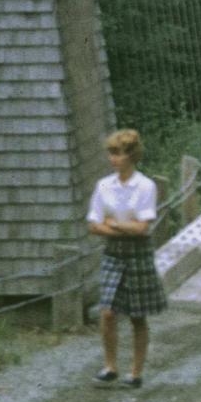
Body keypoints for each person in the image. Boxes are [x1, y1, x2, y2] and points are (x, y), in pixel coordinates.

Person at [86, 128, 166, 386]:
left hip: (138, 254)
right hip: (113, 253)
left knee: (137, 315)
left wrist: (113, 224)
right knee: (108, 311)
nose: (113, 159)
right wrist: (124, 226)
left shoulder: (145, 186)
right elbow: (93, 225)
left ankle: (136, 372)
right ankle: (110, 366)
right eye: (111, 153)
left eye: (118, 153)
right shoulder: (103, 186)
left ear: (131, 155)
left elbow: (142, 227)